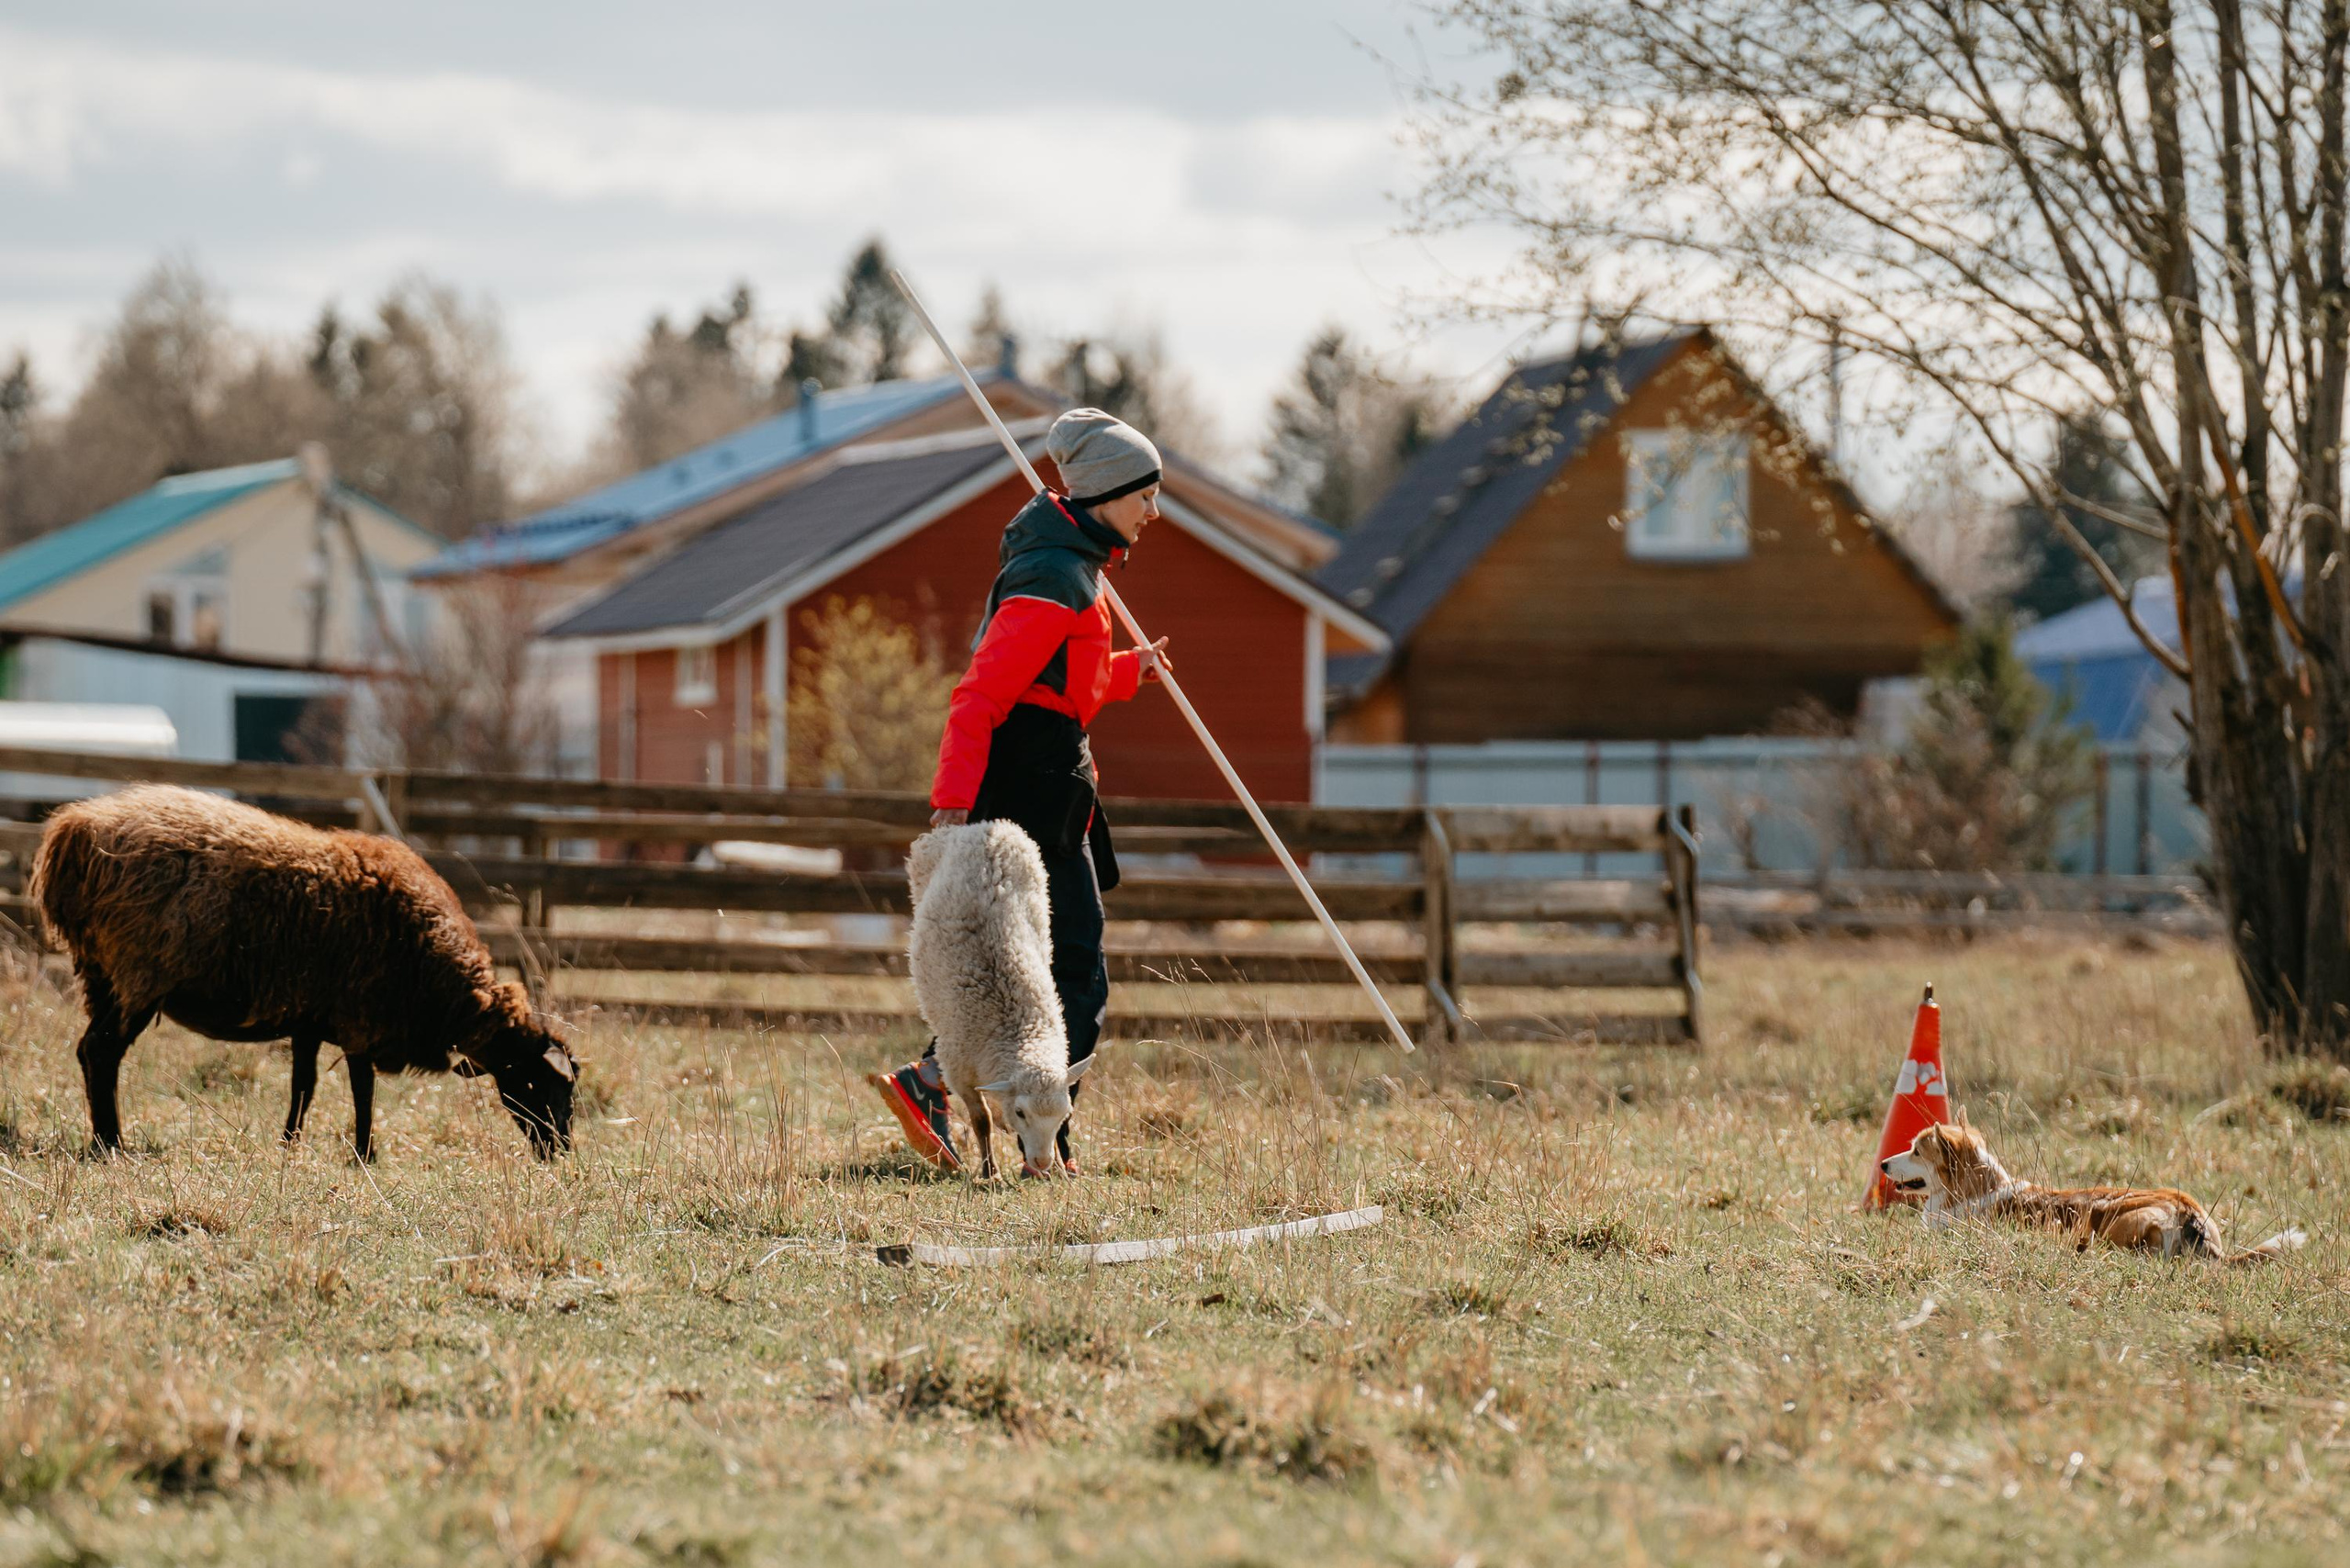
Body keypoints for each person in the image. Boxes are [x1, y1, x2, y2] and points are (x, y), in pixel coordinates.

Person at [868, 408, 1171, 1174]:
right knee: (1071, 964)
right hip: (1029, 784)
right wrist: (952, 807)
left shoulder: (1077, 568)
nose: (1154, 511)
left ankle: (943, 1082)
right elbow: (981, 696)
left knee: (1039, 961)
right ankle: (1029, 1128)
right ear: (1106, 493)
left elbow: (1065, 686)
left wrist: (1132, 668)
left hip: (1051, 774)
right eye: (1145, 494)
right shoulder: (1053, 574)